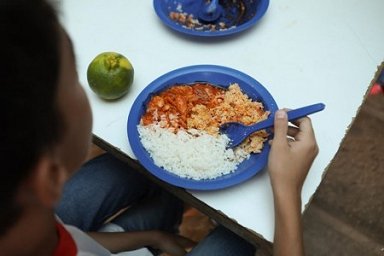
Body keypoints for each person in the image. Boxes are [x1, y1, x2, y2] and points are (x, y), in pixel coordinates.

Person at [0, 0, 318, 255]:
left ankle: (166, 216)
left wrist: (154, 237)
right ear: (49, 177)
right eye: (74, 81)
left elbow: (70, 240)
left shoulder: (27, 226)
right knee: (236, 237)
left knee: (138, 177)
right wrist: (287, 191)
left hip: (96, 241)